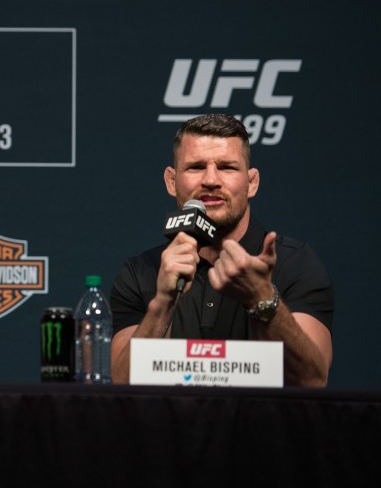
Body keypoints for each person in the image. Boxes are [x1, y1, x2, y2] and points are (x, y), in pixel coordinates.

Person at [109, 114, 333, 387]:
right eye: (195, 167)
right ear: (171, 181)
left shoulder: (296, 263)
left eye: (227, 167)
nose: (211, 180)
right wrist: (162, 304)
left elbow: (312, 379)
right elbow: (122, 384)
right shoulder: (140, 272)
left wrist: (263, 297)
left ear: (251, 183)